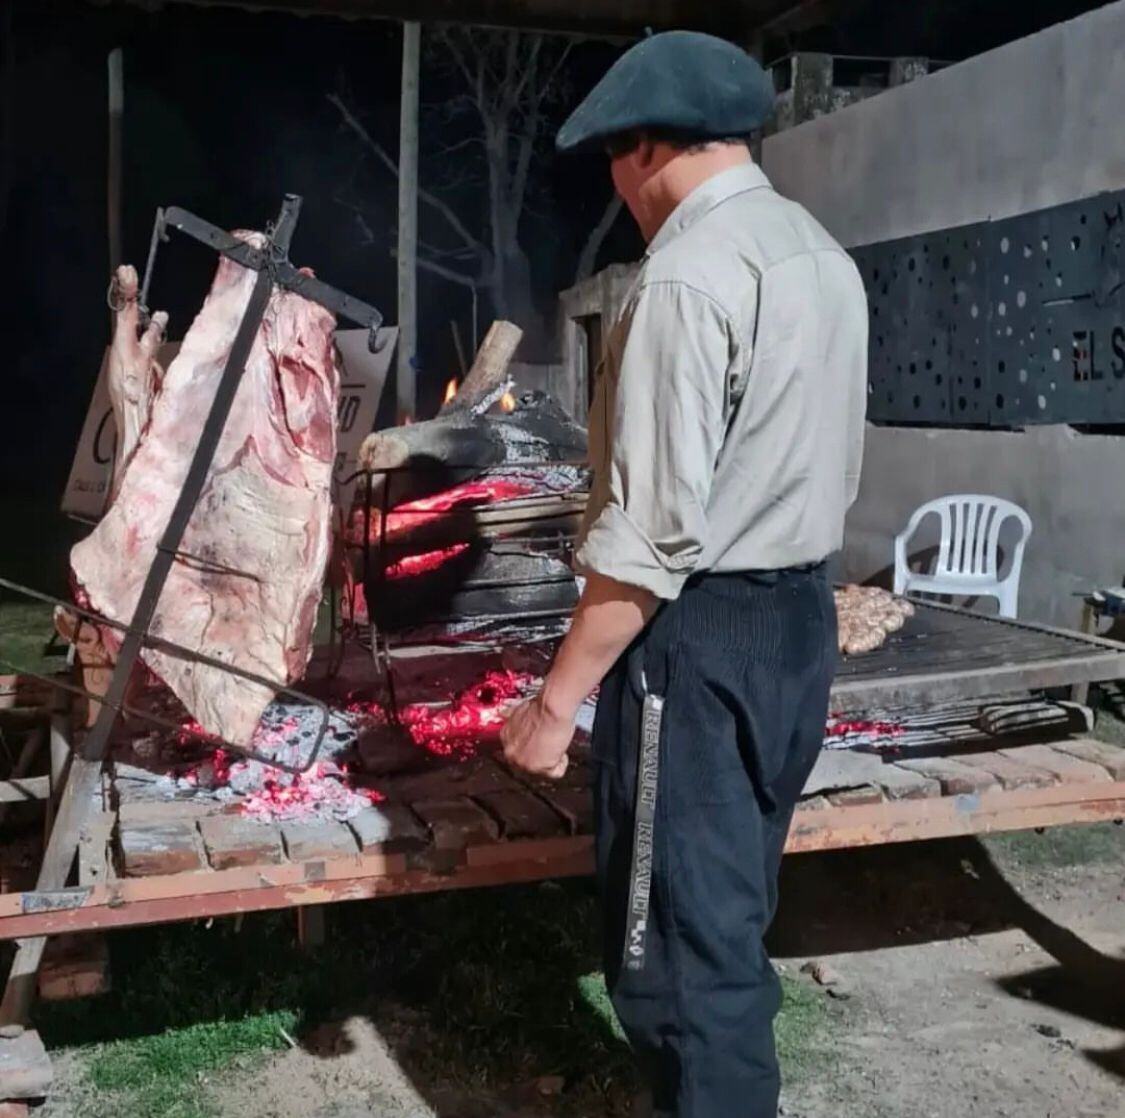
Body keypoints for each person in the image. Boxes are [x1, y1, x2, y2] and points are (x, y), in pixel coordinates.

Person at [500, 29, 868, 1118]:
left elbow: (650, 542)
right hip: (798, 623)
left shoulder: (685, 281)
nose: (620, 186)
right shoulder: (819, 255)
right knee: (729, 913)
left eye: (617, 160)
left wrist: (554, 704)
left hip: (699, 651)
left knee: (681, 967)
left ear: (647, 148)